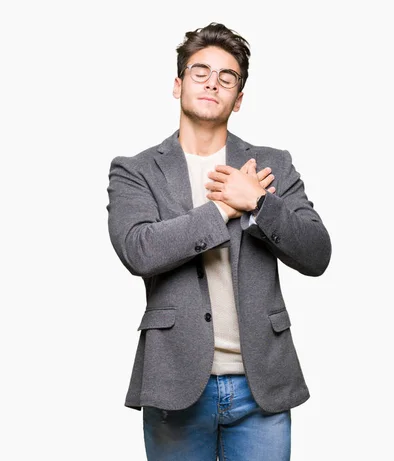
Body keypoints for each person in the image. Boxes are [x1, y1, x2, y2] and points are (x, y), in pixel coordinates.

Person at [106, 22, 332, 460]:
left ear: (239, 98)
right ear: (177, 84)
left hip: (261, 383)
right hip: (175, 382)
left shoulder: (272, 165)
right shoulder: (135, 170)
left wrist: (261, 204)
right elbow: (139, 250)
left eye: (227, 77)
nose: (213, 82)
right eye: (200, 71)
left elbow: (317, 253)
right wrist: (225, 209)